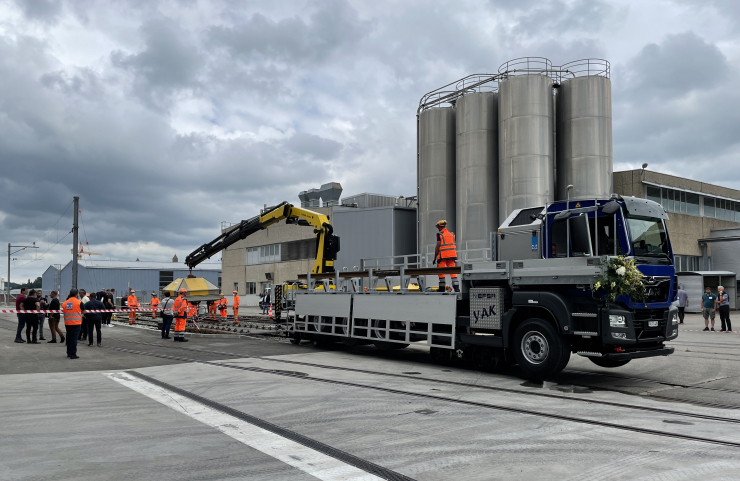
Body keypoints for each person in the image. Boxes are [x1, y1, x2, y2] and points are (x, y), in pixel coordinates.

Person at [433, 220, 459, 292]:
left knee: (441, 272)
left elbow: (437, 246)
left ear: (439, 227)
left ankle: (441, 288)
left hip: (443, 256)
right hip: (452, 256)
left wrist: (435, 257)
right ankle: (456, 288)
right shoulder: (452, 234)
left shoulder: (440, 234)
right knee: (453, 273)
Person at [62, 288, 86, 359]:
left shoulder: (65, 303)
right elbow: (84, 311)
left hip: (67, 323)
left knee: (69, 338)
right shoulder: (79, 302)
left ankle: (69, 352)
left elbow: (64, 311)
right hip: (76, 323)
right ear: (77, 294)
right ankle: (73, 354)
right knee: (74, 339)